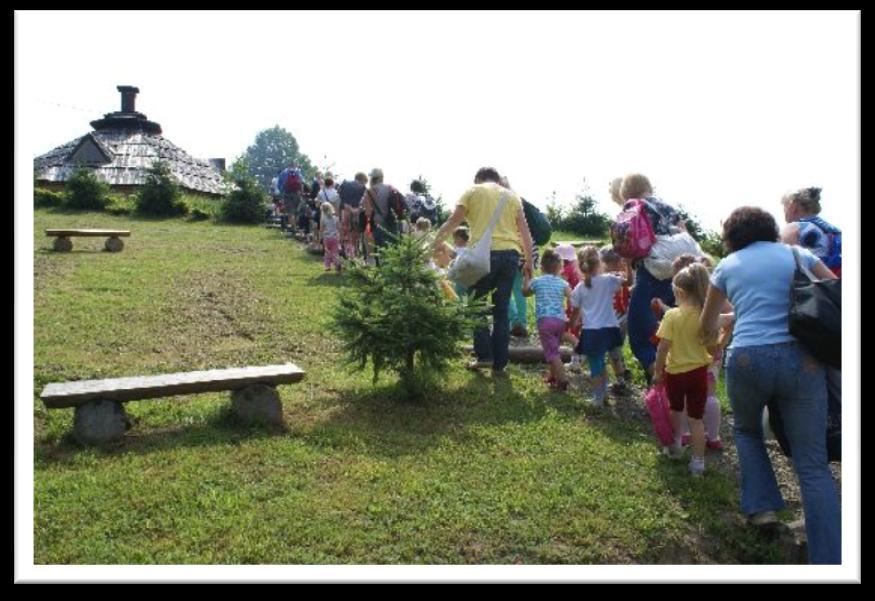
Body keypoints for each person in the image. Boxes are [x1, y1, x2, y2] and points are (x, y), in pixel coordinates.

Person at [700, 206, 840, 564]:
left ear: (731, 235)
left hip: (747, 358)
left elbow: (706, 326)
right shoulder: (797, 254)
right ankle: (830, 558)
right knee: (812, 463)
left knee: (746, 431)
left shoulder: (727, 266)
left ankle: (761, 509)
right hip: (802, 360)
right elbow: (837, 293)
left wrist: (722, 329)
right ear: (770, 229)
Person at [432, 167, 534, 375]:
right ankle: (500, 364)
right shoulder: (512, 196)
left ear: (478, 179)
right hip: (511, 256)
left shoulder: (472, 191)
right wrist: (529, 260)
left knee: (475, 305)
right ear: (497, 180)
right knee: (502, 310)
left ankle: (484, 356)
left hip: (483, 256)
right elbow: (524, 230)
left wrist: (435, 242)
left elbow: (454, 221)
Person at [614, 173, 685, 385]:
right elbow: (684, 233)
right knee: (666, 328)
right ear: (648, 186)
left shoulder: (632, 205)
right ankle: (671, 380)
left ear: (626, 191)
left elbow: (625, 241)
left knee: (639, 334)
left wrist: (628, 268)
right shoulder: (669, 207)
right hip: (675, 275)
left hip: (649, 271)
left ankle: (660, 383)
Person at [652, 263, 713, 477]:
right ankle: (698, 463)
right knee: (696, 419)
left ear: (679, 292)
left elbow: (662, 348)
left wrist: (658, 372)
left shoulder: (672, 316)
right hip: (699, 373)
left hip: (676, 373)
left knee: (676, 410)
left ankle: (676, 444)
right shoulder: (705, 315)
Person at [569, 246, 632, 406]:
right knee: (604, 362)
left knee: (596, 365)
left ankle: (598, 398)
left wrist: (571, 325)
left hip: (592, 332)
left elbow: (575, 313)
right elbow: (629, 283)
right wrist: (629, 265)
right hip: (610, 328)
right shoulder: (609, 280)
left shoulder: (579, 288)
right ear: (600, 263)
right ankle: (603, 394)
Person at [523, 248, 574, 391]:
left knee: (552, 353)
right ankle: (553, 376)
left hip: (545, 322)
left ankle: (563, 380)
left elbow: (525, 292)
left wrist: (526, 278)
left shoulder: (537, 281)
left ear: (542, 267)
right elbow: (573, 299)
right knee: (554, 349)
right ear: (559, 268)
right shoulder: (563, 283)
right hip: (560, 321)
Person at [780, 187, 841, 278]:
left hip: (813, 286)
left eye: (784, 208)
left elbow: (783, 258)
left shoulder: (794, 227)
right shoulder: (833, 231)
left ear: (792, 206)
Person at [599, 245, 632, 391]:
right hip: (624, 317)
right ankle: (623, 369)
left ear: (605, 263)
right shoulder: (622, 276)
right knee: (617, 347)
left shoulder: (605, 279)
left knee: (613, 350)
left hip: (611, 320)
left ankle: (620, 380)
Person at [362, 168, 400, 255]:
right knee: (393, 252)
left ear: (372, 178)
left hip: (378, 225)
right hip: (393, 223)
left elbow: (368, 212)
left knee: (380, 252)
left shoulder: (370, 191)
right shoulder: (391, 188)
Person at [339, 172, 368, 259]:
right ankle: (354, 254)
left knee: (345, 232)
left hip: (345, 211)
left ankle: (345, 251)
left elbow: (340, 198)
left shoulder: (344, 184)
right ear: (363, 179)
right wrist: (356, 210)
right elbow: (364, 202)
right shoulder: (363, 187)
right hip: (357, 213)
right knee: (355, 234)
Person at [319, 202, 342, 272]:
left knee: (327, 252)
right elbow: (339, 228)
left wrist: (320, 237)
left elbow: (321, 229)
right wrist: (341, 236)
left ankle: (327, 266)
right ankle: (337, 262)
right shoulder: (336, 218)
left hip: (326, 237)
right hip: (335, 237)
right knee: (335, 252)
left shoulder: (323, 219)